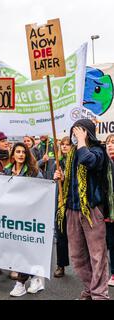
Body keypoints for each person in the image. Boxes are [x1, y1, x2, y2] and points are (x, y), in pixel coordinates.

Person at [54, 119, 110, 300]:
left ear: (88, 133)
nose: (76, 135)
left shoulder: (97, 151)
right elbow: (72, 181)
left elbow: (89, 161)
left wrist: (82, 142)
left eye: (80, 131)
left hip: (91, 210)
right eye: (74, 131)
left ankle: (100, 294)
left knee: (97, 255)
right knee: (77, 256)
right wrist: (61, 177)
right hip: (72, 209)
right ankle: (90, 289)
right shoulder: (72, 154)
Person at [3, 142, 45, 297]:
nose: (21, 154)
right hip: (12, 216)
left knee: (24, 248)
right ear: (13, 154)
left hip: (29, 216)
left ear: (27, 154)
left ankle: (20, 283)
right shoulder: (7, 171)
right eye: (18, 151)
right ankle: (35, 279)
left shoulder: (34, 171)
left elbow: (42, 191)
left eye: (23, 152)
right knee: (18, 249)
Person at [53, 137, 71, 278]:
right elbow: (48, 182)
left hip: (73, 203)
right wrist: (55, 178)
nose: (64, 147)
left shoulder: (76, 161)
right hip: (60, 204)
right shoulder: (56, 163)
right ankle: (61, 264)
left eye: (67, 145)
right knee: (60, 236)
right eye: (62, 145)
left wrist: (66, 179)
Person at [104, 134, 114, 286]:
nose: (111, 145)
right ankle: (113, 273)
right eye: (108, 143)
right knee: (111, 244)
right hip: (108, 213)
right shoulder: (102, 164)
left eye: (113, 143)